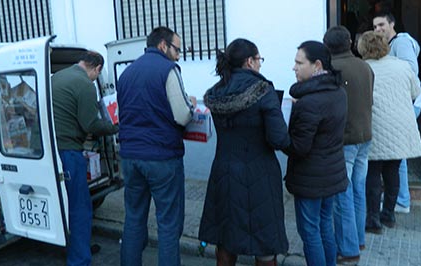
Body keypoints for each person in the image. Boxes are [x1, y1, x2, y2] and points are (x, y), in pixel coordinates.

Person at [198, 38, 290, 266]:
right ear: (249, 61)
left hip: (224, 171)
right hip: (260, 174)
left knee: (226, 238)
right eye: (259, 60)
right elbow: (279, 138)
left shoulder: (217, 91)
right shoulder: (263, 89)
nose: (260, 65)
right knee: (265, 244)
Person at [116, 26, 194, 266]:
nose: (179, 55)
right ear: (163, 45)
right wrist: (190, 105)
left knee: (134, 219)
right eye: (177, 49)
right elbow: (181, 116)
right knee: (168, 224)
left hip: (130, 157)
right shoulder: (168, 69)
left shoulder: (126, 73)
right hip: (162, 158)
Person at [283, 41, 349, 266]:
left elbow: (299, 147)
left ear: (317, 65)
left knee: (310, 232)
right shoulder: (338, 91)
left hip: (310, 178)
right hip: (331, 174)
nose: (294, 67)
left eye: (299, 62)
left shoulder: (308, 102)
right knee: (324, 227)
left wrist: (280, 136)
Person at [52, 51, 119, 266]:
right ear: (97, 68)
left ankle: (73, 247)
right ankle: (79, 259)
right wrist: (115, 127)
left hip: (51, 150)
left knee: (64, 205)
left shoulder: (58, 77)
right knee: (80, 208)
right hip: (69, 151)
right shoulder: (85, 85)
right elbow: (91, 124)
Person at [356, 31, 421, 234]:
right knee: (393, 171)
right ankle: (389, 215)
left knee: (373, 172)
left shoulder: (363, 68)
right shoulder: (402, 66)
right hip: (401, 126)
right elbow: (416, 92)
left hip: (376, 124)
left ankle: (373, 219)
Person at [323, 26, 374, 264]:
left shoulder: (332, 69)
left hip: (345, 139)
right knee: (357, 189)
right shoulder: (365, 66)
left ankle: (349, 248)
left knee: (342, 195)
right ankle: (358, 239)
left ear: (327, 47)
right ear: (350, 43)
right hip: (365, 135)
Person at [373, 11, 421, 213]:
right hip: (397, 105)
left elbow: (411, 70)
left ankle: (401, 200)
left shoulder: (400, 42)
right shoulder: (392, 45)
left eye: (382, 24)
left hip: (400, 105)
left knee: (397, 156)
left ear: (392, 24)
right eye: (375, 27)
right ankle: (400, 198)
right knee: (396, 156)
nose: (378, 29)